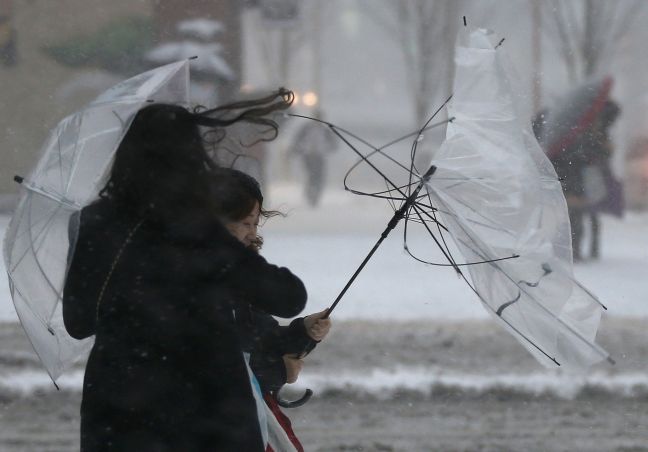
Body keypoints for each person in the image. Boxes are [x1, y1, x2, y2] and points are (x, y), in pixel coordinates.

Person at [62, 89, 307, 451]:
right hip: (206, 413)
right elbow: (288, 297)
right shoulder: (197, 229)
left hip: (118, 409)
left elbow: (78, 321)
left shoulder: (96, 223)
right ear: (190, 158)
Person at [209, 168, 331, 452]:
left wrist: (303, 332)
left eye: (256, 223)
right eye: (245, 223)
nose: (253, 234)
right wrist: (278, 371)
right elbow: (217, 368)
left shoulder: (243, 274)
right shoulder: (207, 280)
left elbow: (260, 337)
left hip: (252, 412)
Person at [291, 111, 337, 206]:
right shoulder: (306, 128)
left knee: (319, 176)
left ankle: (315, 195)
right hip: (308, 156)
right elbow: (297, 140)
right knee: (311, 175)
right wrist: (298, 149)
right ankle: (310, 193)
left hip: (319, 156)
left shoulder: (325, 130)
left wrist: (326, 148)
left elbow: (333, 144)